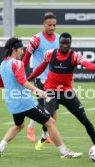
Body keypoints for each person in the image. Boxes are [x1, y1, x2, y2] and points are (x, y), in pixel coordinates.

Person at [0, 37, 82, 159]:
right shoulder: (17, 63)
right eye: (21, 49)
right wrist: (39, 91)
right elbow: (23, 81)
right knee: (50, 122)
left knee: (19, 125)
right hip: (25, 102)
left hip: (12, 102)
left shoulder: (3, 64)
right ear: (14, 50)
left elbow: (0, 84)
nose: (23, 52)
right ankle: (64, 152)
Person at [27, 32, 95, 150]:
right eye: (62, 43)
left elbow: (87, 64)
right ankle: (44, 136)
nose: (65, 45)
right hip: (51, 92)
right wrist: (29, 78)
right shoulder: (50, 54)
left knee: (84, 120)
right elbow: (40, 68)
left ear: (70, 43)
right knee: (47, 117)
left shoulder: (74, 56)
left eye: (67, 43)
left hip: (67, 93)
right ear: (59, 43)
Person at [22, 12, 59, 143]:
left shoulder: (59, 39)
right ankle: (31, 128)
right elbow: (26, 56)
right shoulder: (36, 39)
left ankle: (45, 135)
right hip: (41, 77)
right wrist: (22, 73)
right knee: (44, 107)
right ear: (44, 24)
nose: (52, 27)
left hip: (55, 79)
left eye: (54, 25)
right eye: (49, 25)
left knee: (52, 109)